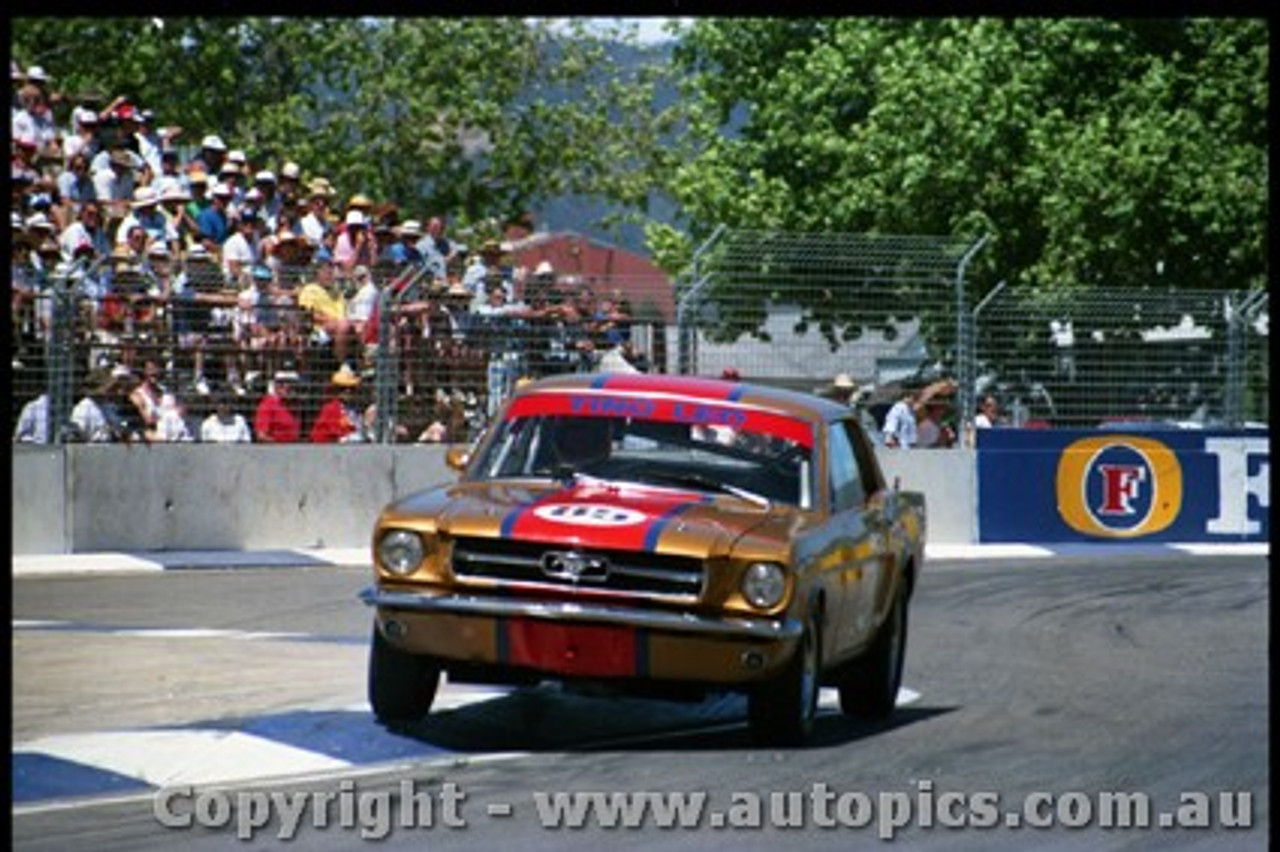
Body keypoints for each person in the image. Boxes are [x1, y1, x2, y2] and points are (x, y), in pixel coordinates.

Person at [309, 364, 366, 443]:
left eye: (351, 388)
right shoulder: (330, 409)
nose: (348, 391)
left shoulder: (356, 409)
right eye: (343, 388)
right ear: (337, 389)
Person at [253, 368, 302, 443]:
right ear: (275, 386)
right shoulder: (268, 404)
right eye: (281, 383)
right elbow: (261, 436)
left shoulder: (296, 405)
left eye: (291, 383)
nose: (287, 386)